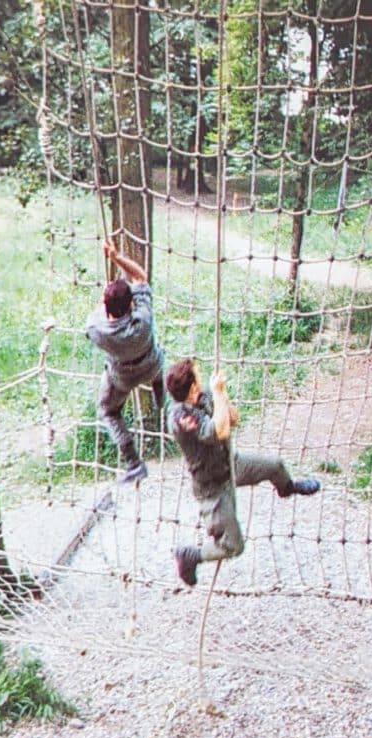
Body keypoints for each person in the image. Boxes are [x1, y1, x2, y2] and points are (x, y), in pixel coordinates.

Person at [166, 357, 321, 586]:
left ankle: (287, 488)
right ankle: (190, 556)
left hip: (231, 463)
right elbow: (219, 430)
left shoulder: (204, 396)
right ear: (192, 387)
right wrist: (218, 395)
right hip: (212, 487)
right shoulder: (180, 417)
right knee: (233, 545)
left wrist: (222, 395)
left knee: (275, 465)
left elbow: (233, 419)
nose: (203, 379)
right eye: (198, 377)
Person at [86, 239, 165, 484]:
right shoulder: (142, 319)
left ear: (107, 308)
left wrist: (106, 298)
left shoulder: (97, 329)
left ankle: (133, 462)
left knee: (108, 410)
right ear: (131, 304)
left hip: (121, 375)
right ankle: (163, 399)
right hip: (151, 364)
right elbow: (140, 277)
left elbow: (100, 314)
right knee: (161, 369)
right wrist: (116, 257)